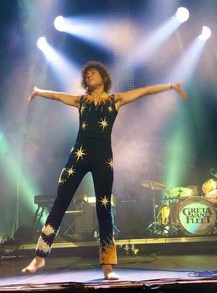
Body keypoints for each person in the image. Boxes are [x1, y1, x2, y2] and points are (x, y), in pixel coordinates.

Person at [22, 61, 188, 279]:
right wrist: (38, 91)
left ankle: (108, 266)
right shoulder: (80, 101)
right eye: (87, 74)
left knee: (104, 208)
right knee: (60, 202)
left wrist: (170, 86)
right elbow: (56, 95)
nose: (89, 75)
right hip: (78, 155)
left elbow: (145, 92)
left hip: (102, 159)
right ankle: (39, 257)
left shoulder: (115, 100)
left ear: (103, 77)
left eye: (93, 72)